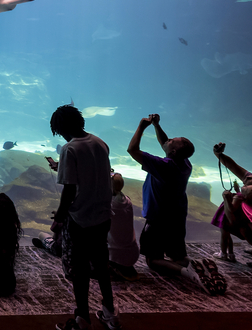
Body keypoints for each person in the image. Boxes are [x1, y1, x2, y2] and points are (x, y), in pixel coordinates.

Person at [127, 114, 224, 293]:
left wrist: (141, 127)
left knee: (152, 260)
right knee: (176, 254)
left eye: (173, 140)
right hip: (176, 216)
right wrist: (157, 125)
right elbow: (166, 143)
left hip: (158, 218)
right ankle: (197, 265)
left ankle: (187, 273)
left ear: (172, 152)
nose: (169, 139)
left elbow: (132, 150)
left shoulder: (164, 166)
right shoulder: (185, 164)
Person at [49, 105, 119, 330]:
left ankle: (82, 319)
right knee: (101, 265)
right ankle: (109, 313)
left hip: (80, 218)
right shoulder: (100, 142)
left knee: (79, 271)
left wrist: (59, 216)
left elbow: (69, 189)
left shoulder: (69, 149)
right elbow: (95, 172)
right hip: (103, 215)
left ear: (59, 128)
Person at [106, 173, 139, 281]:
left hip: (114, 253)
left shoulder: (108, 204)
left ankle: (113, 266)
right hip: (133, 252)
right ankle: (124, 267)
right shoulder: (127, 201)